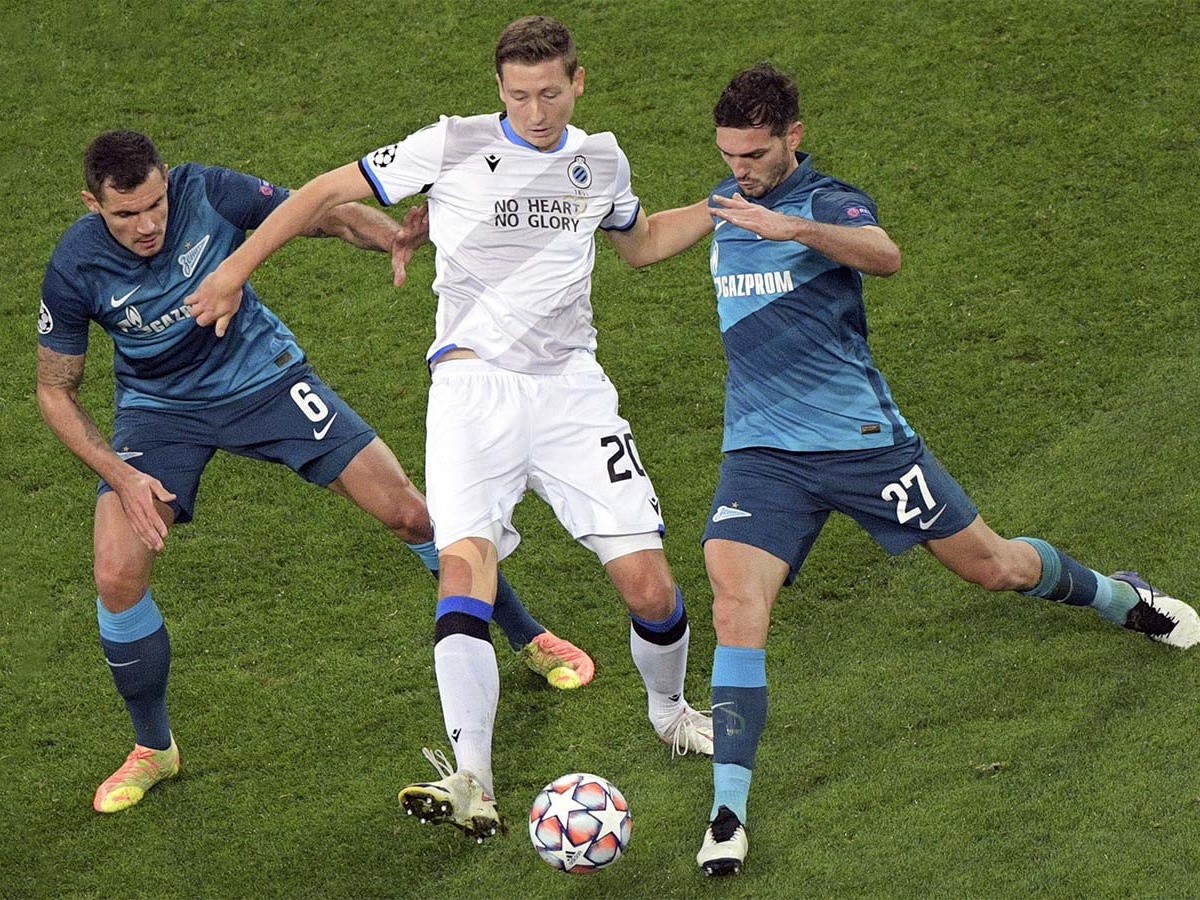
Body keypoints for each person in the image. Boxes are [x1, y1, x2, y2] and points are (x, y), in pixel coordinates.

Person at [599, 62, 1200, 876]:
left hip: (865, 446)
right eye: (728, 154)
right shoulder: (726, 204)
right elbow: (640, 247)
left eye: (755, 154)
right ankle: (727, 813)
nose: (740, 169)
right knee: (735, 606)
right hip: (763, 456)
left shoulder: (828, 201)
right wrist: (594, 198)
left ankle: (1122, 598)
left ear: (792, 137)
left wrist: (793, 229)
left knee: (996, 568)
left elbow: (884, 256)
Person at [185, 16, 714, 843]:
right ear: (498, 89)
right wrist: (232, 270)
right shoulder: (452, 144)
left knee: (650, 588)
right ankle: (473, 778)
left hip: (572, 394)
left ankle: (670, 710)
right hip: (471, 391)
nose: (535, 111)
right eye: (518, 95)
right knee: (463, 563)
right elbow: (322, 192)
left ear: (578, 82)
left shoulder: (602, 160)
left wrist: (724, 205)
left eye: (550, 93)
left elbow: (640, 244)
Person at [36, 130, 595, 815]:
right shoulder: (76, 265)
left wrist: (389, 234)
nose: (147, 225)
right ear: (92, 203)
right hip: (162, 413)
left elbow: (317, 212)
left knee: (412, 514)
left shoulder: (206, 190)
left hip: (266, 379)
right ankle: (154, 747)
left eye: (155, 205)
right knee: (116, 573)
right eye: (126, 214)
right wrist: (121, 475)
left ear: (166, 180)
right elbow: (55, 391)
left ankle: (528, 636)